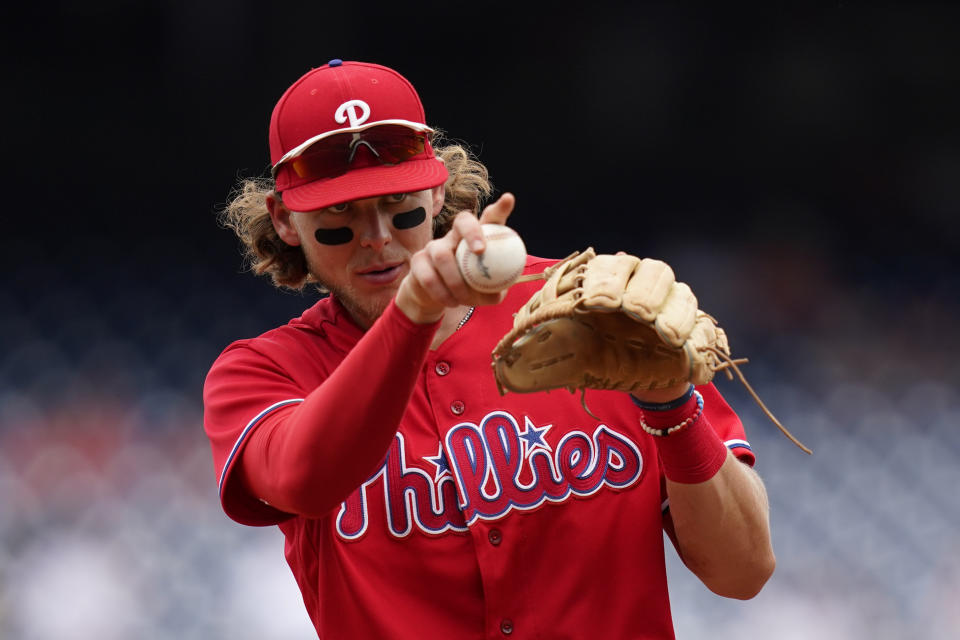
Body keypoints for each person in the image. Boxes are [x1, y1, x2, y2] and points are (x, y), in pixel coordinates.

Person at [203, 59, 775, 639]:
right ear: (284, 220)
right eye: (337, 216)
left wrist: (671, 405)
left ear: (436, 191)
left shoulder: (588, 312)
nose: (375, 237)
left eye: (397, 205)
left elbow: (744, 572)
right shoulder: (263, 372)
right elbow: (307, 479)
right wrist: (414, 313)